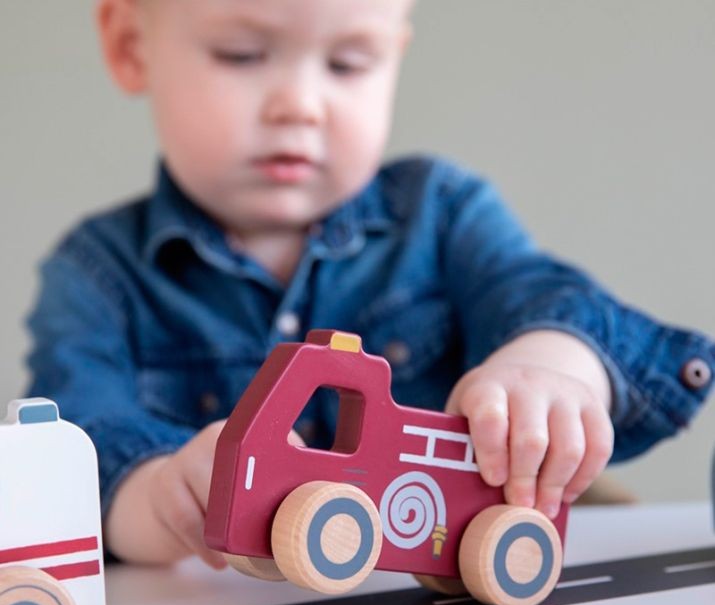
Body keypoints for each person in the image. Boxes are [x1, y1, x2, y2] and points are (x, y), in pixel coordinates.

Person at [25, 0, 713, 569]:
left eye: (348, 64)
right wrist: (159, 494)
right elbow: (78, 448)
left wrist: (552, 366)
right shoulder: (95, 275)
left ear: (394, 57)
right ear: (130, 46)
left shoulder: (443, 213)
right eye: (242, 54)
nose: (300, 105)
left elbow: (543, 295)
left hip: (458, 567)